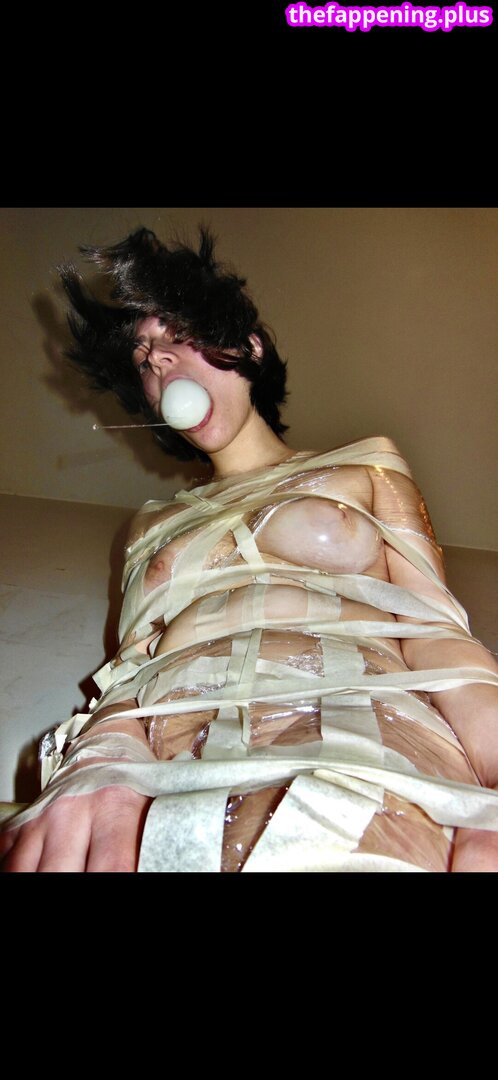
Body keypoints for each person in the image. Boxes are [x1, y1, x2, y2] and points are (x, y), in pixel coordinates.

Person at [1, 226, 498, 873]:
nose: (160, 363)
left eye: (178, 336)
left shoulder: (366, 464)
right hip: (179, 731)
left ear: (248, 345)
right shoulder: (152, 525)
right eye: (144, 359)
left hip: (357, 712)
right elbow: (132, 667)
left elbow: (436, 632)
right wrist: (100, 759)